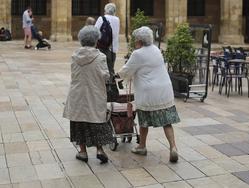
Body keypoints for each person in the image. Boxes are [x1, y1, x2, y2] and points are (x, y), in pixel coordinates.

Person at [117, 26, 180, 163]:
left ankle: (142, 146)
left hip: (148, 92)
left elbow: (127, 70)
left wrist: (116, 75)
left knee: (144, 120)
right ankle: (173, 147)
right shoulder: (156, 50)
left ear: (139, 40)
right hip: (164, 90)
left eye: (135, 40)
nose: (134, 42)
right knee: (166, 121)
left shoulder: (138, 53)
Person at [63, 26, 113, 164]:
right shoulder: (100, 57)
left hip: (77, 95)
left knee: (79, 123)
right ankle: (100, 150)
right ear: (96, 41)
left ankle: (83, 152)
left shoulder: (74, 56)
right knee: (96, 122)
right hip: (95, 94)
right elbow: (106, 76)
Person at [95, 3, 120, 75]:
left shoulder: (102, 18)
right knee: (110, 69)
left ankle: (104, 85)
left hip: (103, 48)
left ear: (105, 10)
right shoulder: (117, 19)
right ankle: (111, 84)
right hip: (113, 48)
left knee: (102, 70)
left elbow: (95, 32)